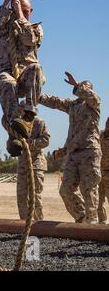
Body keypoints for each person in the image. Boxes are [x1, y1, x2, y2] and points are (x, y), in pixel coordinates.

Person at [0, 0, 45, 157]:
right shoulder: (7, 28)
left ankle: (27, 117)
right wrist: (7, 0)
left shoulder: (36, 29)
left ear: (31, 11)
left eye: (28, 11)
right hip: (4, 71)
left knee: (36, 68)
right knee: (5, 82)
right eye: (22, 10)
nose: (25, 13)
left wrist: (20, 13)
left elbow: (29, 39)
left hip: (26, 76)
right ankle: (14, 130)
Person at [40, 72, 102, 224]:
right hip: (73, 154)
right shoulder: (72, 105)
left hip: (89, 151)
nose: (82, 88)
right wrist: (36, 95)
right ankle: (81, 218)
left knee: (88, 190)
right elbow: (55, 101)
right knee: (66, 189)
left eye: (85, 86)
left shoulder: (94, 104)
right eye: (82, 86)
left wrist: (77, 85)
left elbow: (91, 96)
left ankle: (92, 224)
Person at [16, 101, 50, 221]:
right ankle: (24, 224)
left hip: (36, 163)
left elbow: (45, 140)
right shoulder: (17, 123)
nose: (19, 110)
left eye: (21, 108)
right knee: (21, 196)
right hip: (22, 164)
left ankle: (38, 225)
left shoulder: (39, 123)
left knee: (34, 196)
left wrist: (29, 143)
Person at [98, 117, 109, 224]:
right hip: (98, 174)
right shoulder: (99, 135)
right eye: (107, 123)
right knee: (98, 201)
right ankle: (102, 223)